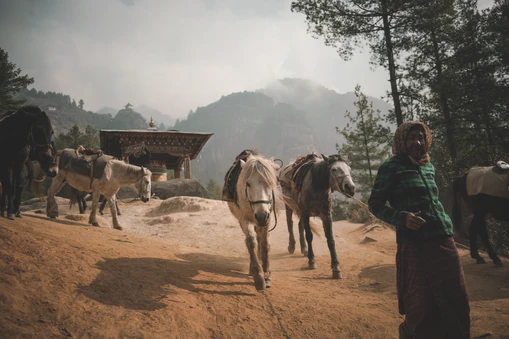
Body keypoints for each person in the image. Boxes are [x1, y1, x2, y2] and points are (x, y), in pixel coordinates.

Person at [368, 121, 470, 339]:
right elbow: (375, 204)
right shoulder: (391, 167)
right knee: (420, 302)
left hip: (443, 237)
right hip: (414, 243)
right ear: (402, 142)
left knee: (455, 296)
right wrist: (402, 218)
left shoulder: (428, 166)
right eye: (412, 138)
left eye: (421, 138)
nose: (418, 142)